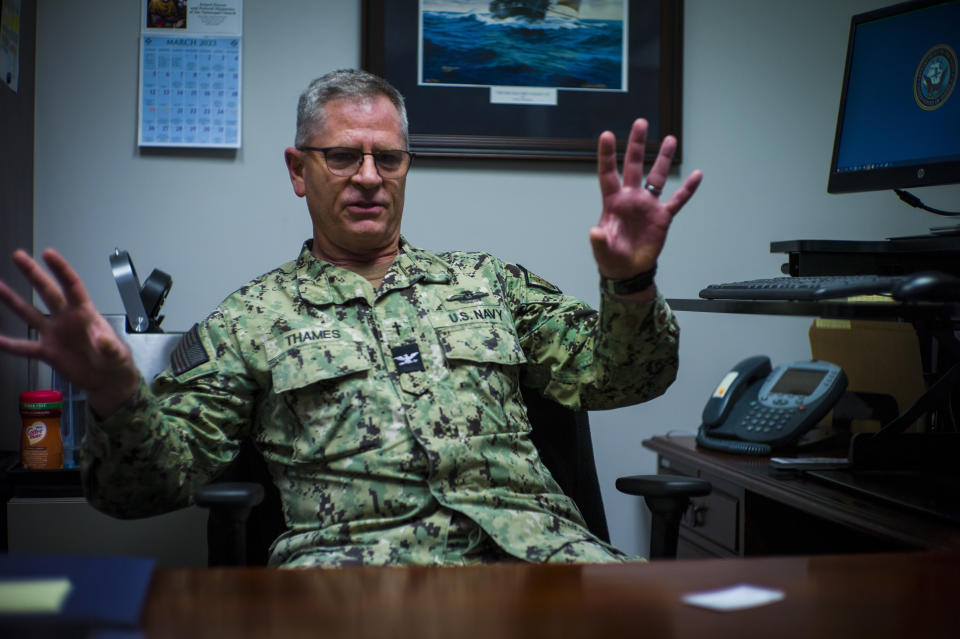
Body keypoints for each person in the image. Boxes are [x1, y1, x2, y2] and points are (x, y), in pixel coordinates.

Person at [0, 69, 702, 566]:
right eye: (342, 156)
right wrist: (117, 396)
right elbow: (142, 488)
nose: (368, 175)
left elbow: (623, 378)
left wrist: (629, 281)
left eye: (388, 158)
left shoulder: (489, 282)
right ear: (298, 169)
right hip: (355, 587)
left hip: (546, 564)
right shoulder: (251, 319)